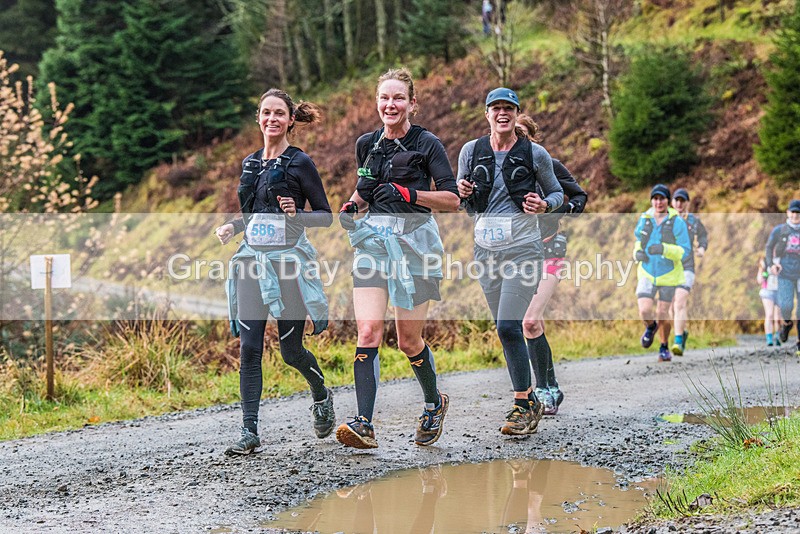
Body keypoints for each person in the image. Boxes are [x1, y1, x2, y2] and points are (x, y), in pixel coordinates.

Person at [335, 68, 460, 449]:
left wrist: (410, 195)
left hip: (415, 246)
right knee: (368, 331)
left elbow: (452, 199)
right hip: (374, 245)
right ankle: (364, 424)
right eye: (384, 98)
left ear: (412, 103)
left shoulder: (427, 144)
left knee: (408, 341)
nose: (391, 105)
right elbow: (365, 190)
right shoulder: (367, 144)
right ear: (377, 102)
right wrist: (351, 206)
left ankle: (434, 403)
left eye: (398, 98)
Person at [216, 88, 334, 455]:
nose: (272, 119)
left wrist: (297, 215)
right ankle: (249, 432)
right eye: (266, 112)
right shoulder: (250, 163)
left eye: (279, 113)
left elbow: (325, 216)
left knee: (290, 351)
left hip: (287, 266)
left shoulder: (300, 162)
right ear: (258, 118)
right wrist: (234, 227)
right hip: (251, 263)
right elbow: (255, 215)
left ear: (290, 119)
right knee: (249, 348)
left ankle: (321, 393)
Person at [458, 88, 564, 435]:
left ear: (517, 114)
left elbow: (557, 192)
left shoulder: (535, 153)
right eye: (496, 108)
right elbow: (466, 206)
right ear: (487, 114)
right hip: (485, 251)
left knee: (508, 325)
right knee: (506, 331)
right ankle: (529, 401)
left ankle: (521, 403)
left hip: (523, 250)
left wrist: (545, 205)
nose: (502, 113)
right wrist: (464, 194)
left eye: (509, 108)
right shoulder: (471, 151)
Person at [516, 114, 588, 416]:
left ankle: (544, 390)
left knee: (530, 321)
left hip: (550, 248)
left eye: (523, 134)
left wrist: (556, 211)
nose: (517, 139)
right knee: (533, 323)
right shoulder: (502, 170)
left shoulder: (549, 165)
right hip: (518, 254)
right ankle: (551, 387)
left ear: (533, 138)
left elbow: (579, 195)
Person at [633, 184, 690, 362]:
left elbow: (685, 251)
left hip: (669, 274)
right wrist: (637, 253)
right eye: (655, 199)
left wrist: (664, 249)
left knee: (662, 312)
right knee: (644, 310)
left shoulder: (677, 222)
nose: (659, 202)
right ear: (652, 201)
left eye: (662, 199)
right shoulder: (645, 219)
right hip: (647, 271)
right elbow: (638, 241)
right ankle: (651, 327)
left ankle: (663, 347)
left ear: (668, 201)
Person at [668, 188, 707, 356]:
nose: (679, 203)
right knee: (670, 308)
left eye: (682, 201)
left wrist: (702, 248)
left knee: (679, 303)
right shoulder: (666, 219)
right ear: (672, 202)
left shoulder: (693, 221)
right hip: (669, 268)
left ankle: (677, 341)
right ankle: (682, 332)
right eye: (676, 200)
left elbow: (703, 236)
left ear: (687, 203)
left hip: (687, 266)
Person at [765, 199, 800, 355]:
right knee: (786, 306)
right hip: (784, 272)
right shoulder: (780, 230)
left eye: (798, 212)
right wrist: (771, 264)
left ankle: (799, 342)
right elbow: (769, 247)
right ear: (788, 213)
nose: (795, 215)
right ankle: (786, 324)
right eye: (793, 212)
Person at [757, 255, 782, 347]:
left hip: (779, 291)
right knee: (769, 314)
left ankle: (778, 336)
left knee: (778, 317)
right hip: (767, 291)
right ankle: (769, 338)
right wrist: (764, 272)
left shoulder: (782, 259)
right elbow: (759, 280)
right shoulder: (764, 260)